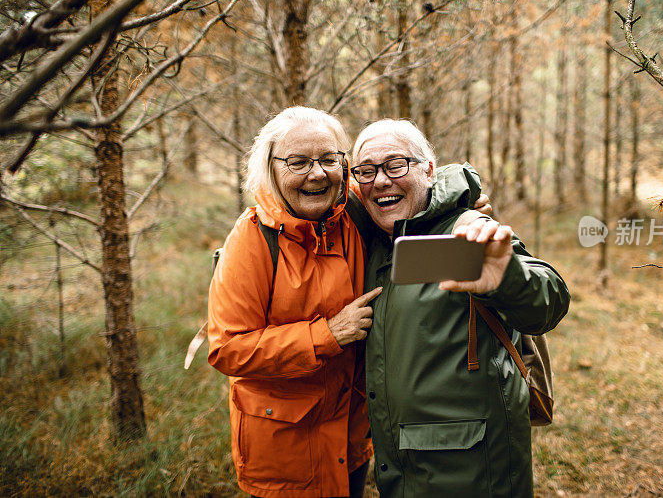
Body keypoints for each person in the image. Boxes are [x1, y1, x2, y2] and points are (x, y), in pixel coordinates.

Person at [351, 119, 571, 497]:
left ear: (428, 170)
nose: (381, 180)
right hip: (399, 468)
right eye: (367, 171)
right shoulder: (371, 241)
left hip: (474, 469)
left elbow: (548, 302)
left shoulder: (465, 229)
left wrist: (508, 279)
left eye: (396, 165)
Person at [207, 106, 380, 498]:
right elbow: (227, 348)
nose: (317, 173)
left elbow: (416, 185)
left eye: (328, 159)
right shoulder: (252, 239)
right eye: (298, 162)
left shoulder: (355, 214)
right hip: (283, 450)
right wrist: (327, 335)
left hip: (349, 439)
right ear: (271, 168)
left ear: (344, 164)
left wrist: (470, 208)